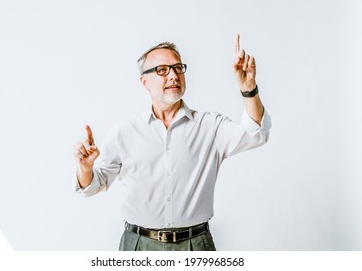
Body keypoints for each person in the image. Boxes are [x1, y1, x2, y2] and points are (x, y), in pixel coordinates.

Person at [72, 34, 271, 251]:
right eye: (162, 70)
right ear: (144, 82)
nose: (174, 75)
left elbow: (255, 133)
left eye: (178, 68)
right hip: (139, 246)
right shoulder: (125, 133)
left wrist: (249, 88)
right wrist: (85, 167)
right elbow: (93, 185)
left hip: (195, 244)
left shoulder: (210, 126)